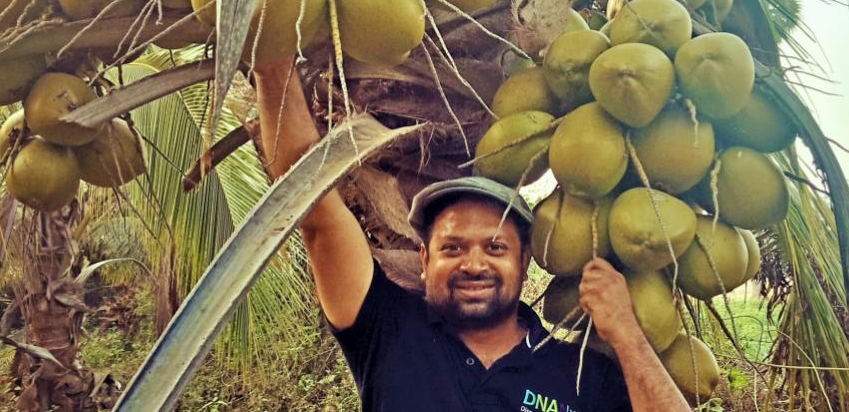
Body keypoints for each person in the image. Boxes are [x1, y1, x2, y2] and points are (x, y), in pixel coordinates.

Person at [254, 57, 690, 411]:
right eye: (453, 247)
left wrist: (626, 333)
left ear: (523, 261)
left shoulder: (579, 375)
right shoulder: (388, 331)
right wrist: (270, 64)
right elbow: (314, 208)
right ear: (425, 260)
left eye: (495, 247)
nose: (474, 264)